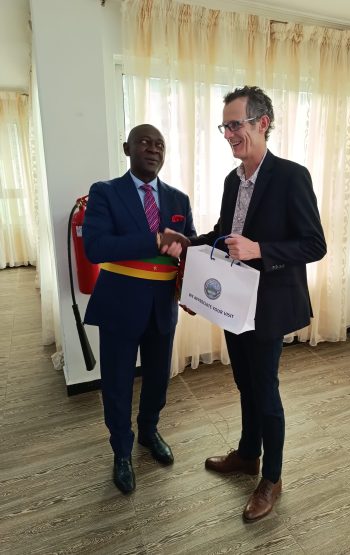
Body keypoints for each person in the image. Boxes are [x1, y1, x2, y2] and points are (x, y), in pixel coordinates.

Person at [183, 86, 327, 521]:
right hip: (234, 303)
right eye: (224, 126)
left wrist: (260, 249)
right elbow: (224, 235)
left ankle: (272, 478)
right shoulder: (233, 181)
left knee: (265, 390)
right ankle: (248, 454)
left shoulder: (292, 176)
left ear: (262, 123)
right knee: (244, 382)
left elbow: (314, 244)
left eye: (235, 124)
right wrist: (187, 245)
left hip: (270, 306)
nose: (228, 134)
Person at [83, 124, 195, 494]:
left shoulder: (179, 199)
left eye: (160, 144)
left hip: (163, 306)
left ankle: (149, 431)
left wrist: (197, 290)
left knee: (158, 378)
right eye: (144, 142)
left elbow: (189, 250)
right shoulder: (105, 192)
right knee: (117, 383)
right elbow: (96, 248)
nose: (153, 149)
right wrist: (155, 240)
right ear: (127, 148)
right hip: (119, 304)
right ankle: (121, 450)